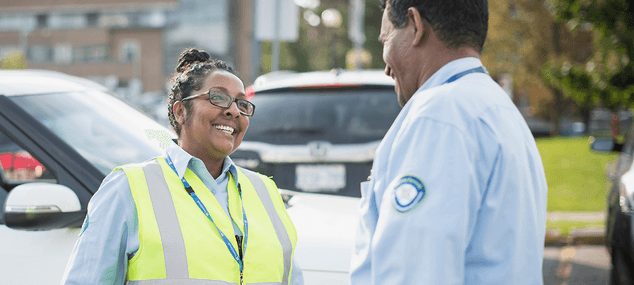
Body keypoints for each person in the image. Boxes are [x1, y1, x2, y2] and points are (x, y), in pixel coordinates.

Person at [61, 48, 303, 285]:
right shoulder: (128, 189)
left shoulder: (266, 191)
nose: (233, 111)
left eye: (242, 104)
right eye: (217, 97)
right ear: (180, 111)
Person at [349, 0, 547, 284]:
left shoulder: (439, 116)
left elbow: (415, 272)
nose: (386, 67)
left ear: (415, 26)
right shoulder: (500, 110)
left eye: (386, 38)